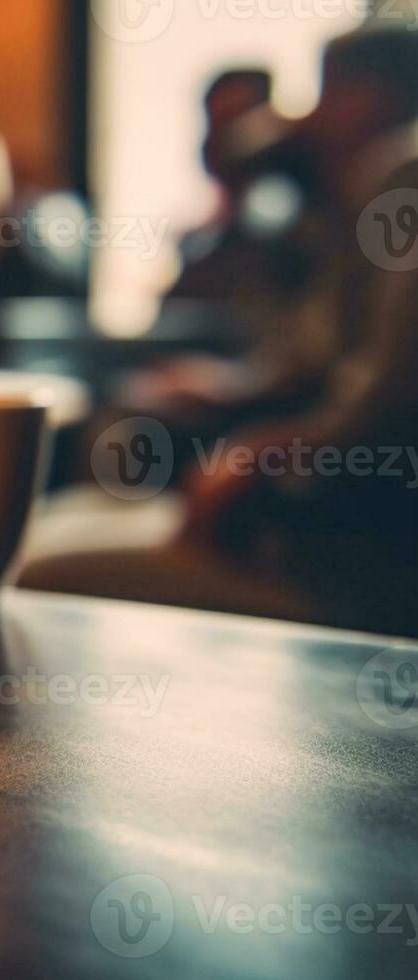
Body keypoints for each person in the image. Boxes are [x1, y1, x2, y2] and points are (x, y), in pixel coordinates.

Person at [24, 28, 418, 635]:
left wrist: (258, 453)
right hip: (328, 525)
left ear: (366, 97)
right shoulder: (359, 188)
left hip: (349, 562)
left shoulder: (402, 173)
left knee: (31, 568)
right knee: (67, 511)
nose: (308, 115)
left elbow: (391, 394)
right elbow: (328, 352)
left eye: (326, 92)